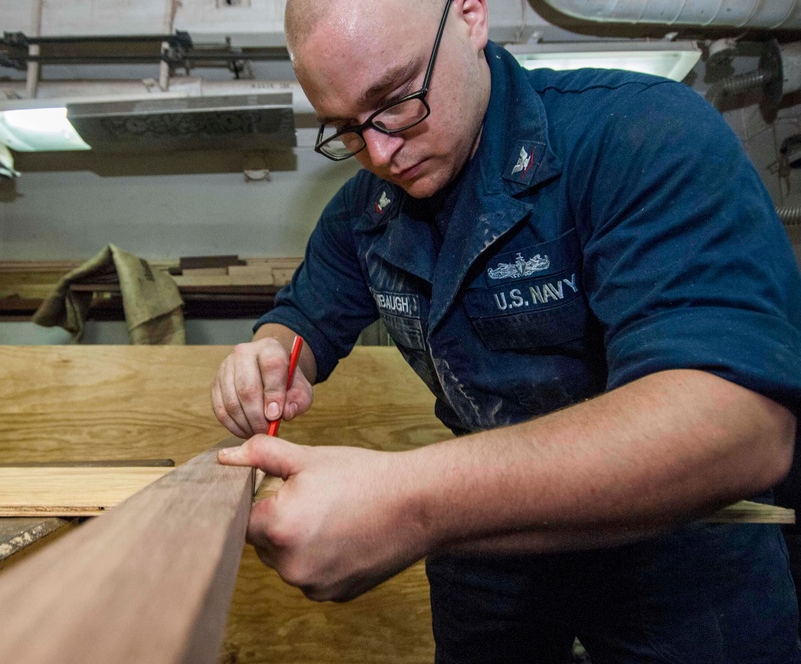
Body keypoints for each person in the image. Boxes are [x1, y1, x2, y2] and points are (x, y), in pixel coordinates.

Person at [211, 0, 801, 660]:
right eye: (345, 129)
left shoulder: (640, 132)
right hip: (487, 543)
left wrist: (410, 503)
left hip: (674, 545)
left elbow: (734, 427)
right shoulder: (363, 213)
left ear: (470, 16)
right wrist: (269, 351)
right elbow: (303, 318)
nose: (377, 152)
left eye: (396, 100)